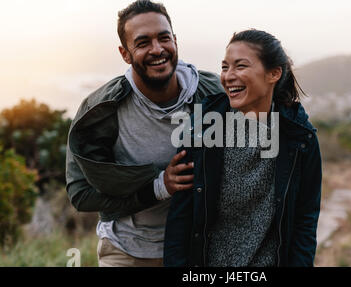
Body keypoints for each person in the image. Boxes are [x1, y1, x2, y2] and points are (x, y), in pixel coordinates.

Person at [65, 0, 224, 267]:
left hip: (198, 250)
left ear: (175, 40)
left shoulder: (213, 94)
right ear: (125, 53)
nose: (157, 49)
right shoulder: (100, 110)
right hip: (126, 252)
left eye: (164, 38)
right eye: (142, 43)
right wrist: (159, 187)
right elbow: (80, 194)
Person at [164, 29, 322, 267]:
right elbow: (181, 219)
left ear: (274, 73)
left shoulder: (300, 139)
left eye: (240, 66)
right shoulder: (202, 129)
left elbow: (304, 221)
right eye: (225, 67)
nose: (228, 76)